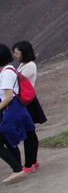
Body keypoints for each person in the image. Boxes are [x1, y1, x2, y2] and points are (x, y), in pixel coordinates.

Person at [0, 44, 35, 183]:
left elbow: (8, 96)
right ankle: (17, 169)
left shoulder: (7, 72)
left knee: (6, 140)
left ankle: (17, 170)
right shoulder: (3, 71)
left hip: (11, 110)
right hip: (9, 110)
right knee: (8, 141)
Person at [12, 41, 44, 173]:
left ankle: (29, 163)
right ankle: (33, 161)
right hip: (26, 101)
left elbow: (17, 82)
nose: (14, 55)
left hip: (28, 101)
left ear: (24, 52)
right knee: (29, 133)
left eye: (17, 52)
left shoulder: (30, 66)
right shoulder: (23, 65)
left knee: (29, 133)